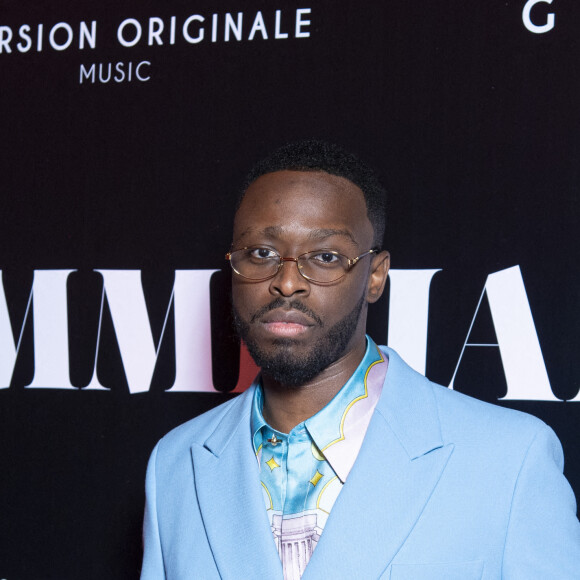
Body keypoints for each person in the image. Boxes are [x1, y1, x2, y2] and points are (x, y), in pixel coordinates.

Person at [140, 140, 580, 579]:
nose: (287, 281)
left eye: (326, 257)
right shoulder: (176, 464)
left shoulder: (511, 459)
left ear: (375, 276)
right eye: (262, 253)